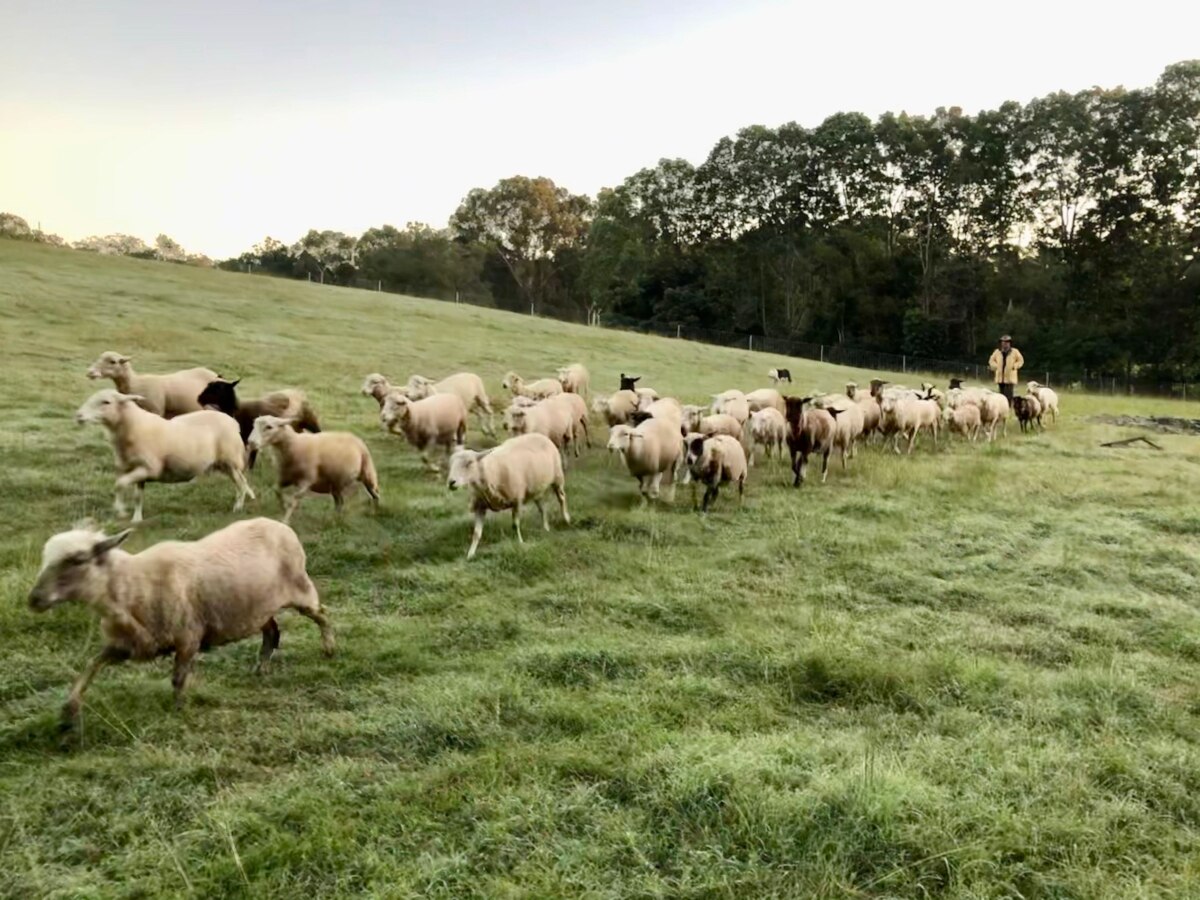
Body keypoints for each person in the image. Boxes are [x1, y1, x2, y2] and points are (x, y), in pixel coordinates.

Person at [987, 334, 1024, 405]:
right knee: (1001, 395)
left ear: (1010, 343)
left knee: (1008, 395)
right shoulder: (997, 352)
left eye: (1007, 342)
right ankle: (1001, 407)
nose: (1005, 344)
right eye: (1003, 342)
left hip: (1010, 378)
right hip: (1000, 377)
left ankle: (1009, 408)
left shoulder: (1015, 352)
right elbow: (991, 360)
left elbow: (1021, 361)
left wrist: (1015, 366)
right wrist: (995, 366)